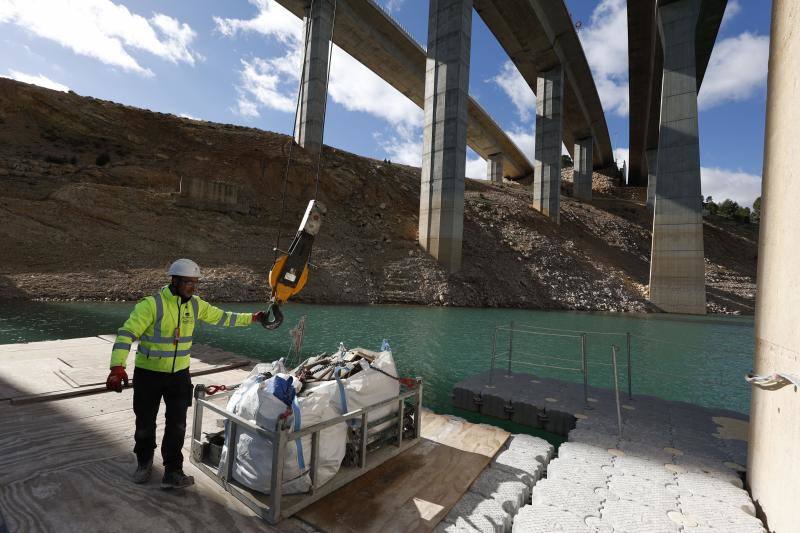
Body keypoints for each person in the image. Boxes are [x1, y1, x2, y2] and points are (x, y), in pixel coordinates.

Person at [105, 258, 266, 489]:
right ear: (175, 281)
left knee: (177, 425)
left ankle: (173, 470)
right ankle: (144, 462)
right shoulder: (152, 305)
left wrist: (252, 318)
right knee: (145, 423)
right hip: (148, 375)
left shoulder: (196, 305)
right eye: (188, 282)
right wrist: (117, 367)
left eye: (195, 282)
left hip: (179, 375)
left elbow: (222, 317)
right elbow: (126, 334)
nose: (192, 287)